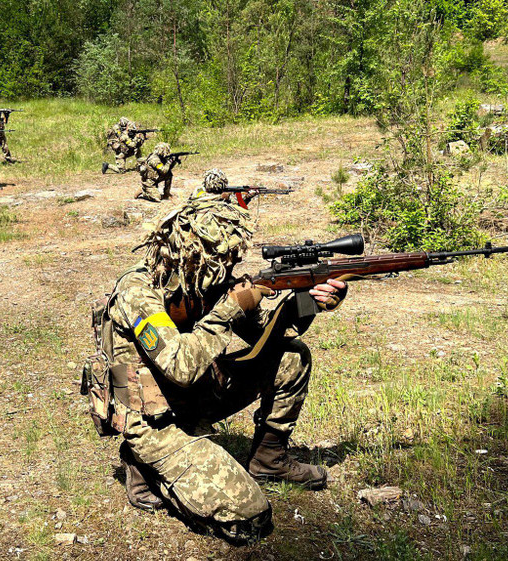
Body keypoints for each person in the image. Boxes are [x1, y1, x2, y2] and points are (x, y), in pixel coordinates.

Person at [94, 198, 348, 543]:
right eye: (224, 258)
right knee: (249, 515)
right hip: (154, 416)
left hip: (196, 392)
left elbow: (270, 335)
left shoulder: (206, 282)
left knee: (291, 356)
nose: (231, 266)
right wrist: (228, 310)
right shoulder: (138, 293)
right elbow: (180, 366)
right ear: (194, 254)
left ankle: (269, 459)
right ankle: (143, 462)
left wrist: (308, 302)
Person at [191, 169, 258, 208]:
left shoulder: (199, 191)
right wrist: (221, 197)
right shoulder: (200, 192)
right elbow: (238, 208)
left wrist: (247, 197)